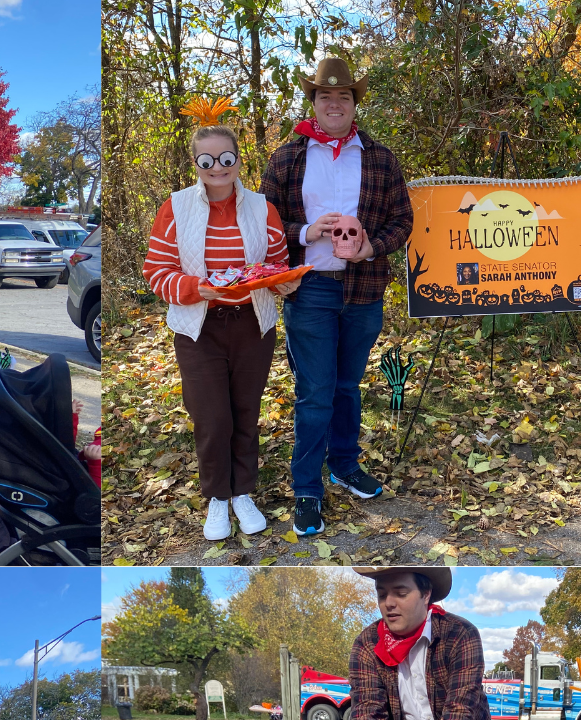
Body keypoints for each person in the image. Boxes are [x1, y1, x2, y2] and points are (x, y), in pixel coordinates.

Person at [259, 55, 413, 536]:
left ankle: (344, 466)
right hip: (310, 290)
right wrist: (305, 231)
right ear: (313, 101)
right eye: (325, 96)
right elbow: (263, 224)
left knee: (348, 388)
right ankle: (307, 490)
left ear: (353, 104)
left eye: (343, 96)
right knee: (315, 394)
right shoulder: (288, 157)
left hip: (364, 291)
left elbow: (402, 221)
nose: (334, 103)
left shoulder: (379, 157)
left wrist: (373, 246)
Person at [142, 99, 295, 541]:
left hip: (252, 325)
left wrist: (285, 284)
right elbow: (157, 271)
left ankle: (243, 492)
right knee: (212, 417)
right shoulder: (175, 208)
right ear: (196, 163)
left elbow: (277, 264)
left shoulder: (263, 209)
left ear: (238, 161)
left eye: (225, 159)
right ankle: (217, 497)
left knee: (246, 411)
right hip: (199, 327)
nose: (217, 167)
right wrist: (197, 289)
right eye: (207, 160)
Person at [346, 566, 506, 720]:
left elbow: (460, 712)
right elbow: (366, 711)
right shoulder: (367, 644)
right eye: (382, 594)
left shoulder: (460, 635)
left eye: (401, 593)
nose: (389, 603)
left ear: (426, 594)